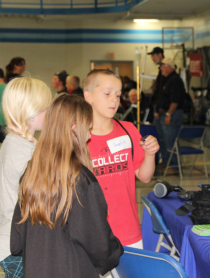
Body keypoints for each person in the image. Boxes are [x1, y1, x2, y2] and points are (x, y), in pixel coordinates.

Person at [10, 94, 123, 277]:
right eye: (88, 128)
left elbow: (17, 239)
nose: (89, 135)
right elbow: (98, 242)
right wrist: (115, 252)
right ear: (74, 129)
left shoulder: (31, 173)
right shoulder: (80, 179)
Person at [83, 69, 159, 252]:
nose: (114, 99)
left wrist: (150, 153)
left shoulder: (128, 129)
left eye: (118, 94)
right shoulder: (77, 135)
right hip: (91, 233)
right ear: (88, 96)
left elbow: (145, 177)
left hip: (128, 230)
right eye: (107, 93)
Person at [0, 78, 52, 271]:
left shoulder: (22, 143)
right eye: (46, 107)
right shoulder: (19, 148)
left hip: (21, 241)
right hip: (17, 246)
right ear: (31, 113)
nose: (50, 112)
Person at [155, 58, 185, 174]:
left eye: (162, 66)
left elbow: (175, 100)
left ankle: (174, 166)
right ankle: (167, 162)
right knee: (163, 140)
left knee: (170, 141)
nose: (160, 68)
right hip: (164, 114)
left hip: (172, 114)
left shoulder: (175, 80)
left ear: (168, 66)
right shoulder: (167, 80)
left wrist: (168, 114)